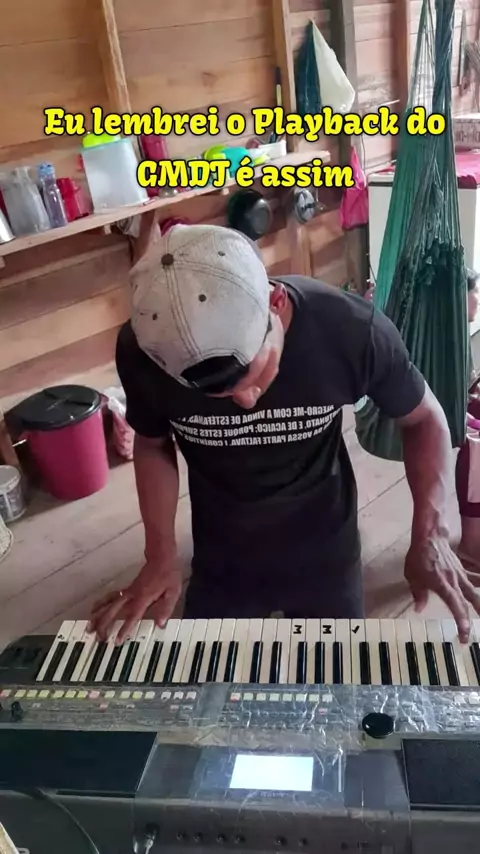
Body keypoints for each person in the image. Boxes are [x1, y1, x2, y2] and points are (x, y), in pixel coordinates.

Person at [89, 224, 480, 645]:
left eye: (252, 374)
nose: (246, 401)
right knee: (208, 680)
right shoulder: (143, 351)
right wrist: (160, 556)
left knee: (337, 675)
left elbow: (425, 419)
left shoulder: (348, 329)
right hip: (221, 556)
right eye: (218, 393)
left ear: (276, 302)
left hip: (327, 552)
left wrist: (431, 530)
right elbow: (152, 443)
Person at [456, 269, 480, 578]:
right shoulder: (443, 341)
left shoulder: (462, 334)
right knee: (477, 446)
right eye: (475, 292)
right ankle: (471, 547)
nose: (478, 299)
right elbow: (442, 398)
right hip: (445, 413)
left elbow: (466, 389)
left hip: (459, 405)